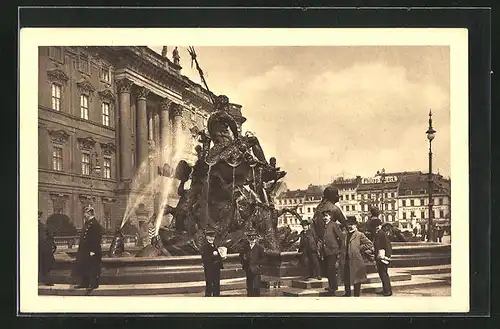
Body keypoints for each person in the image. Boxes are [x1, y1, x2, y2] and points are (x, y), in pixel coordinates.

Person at [340, 216, 374, 297]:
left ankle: (356, 295)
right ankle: (347, 294)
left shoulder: (359, 235)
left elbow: (369, 244)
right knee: (346, 278)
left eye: (352, 224)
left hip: (356, 260)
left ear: (355, 225)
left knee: (356, 279)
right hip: (346, 259)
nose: (350, 226)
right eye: (348, 224)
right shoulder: (345, 235)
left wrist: (359, 248)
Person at [73, 205, 103, 292]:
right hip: (85, 250)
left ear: (90, 213)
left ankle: (94, 284)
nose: (84, 215)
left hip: (92, 250)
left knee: (93, 267)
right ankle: (84, 283)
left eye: (85, 213)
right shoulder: (88, 223)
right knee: (85, 266)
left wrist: (93, 250)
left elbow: (97, 238)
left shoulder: (95, 224)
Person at [316, 209, 343, 296]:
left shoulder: (333, 225)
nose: (325, 218)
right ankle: (332, 285)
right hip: (326, 251)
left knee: (330, 269)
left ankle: (333, 288)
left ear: (330, 217)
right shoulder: (324, 226)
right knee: (328, 269)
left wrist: (340, 249)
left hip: (333, 250)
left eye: (326, 216)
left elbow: (340, 236)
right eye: (324, 216)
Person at [239, 229, 265, 297]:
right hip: (248, 269)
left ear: (256, 239)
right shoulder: (244, 248)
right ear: (247, 238)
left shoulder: (260, 248)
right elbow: (241, 257)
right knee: (249, 287)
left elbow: (264, 258)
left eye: (253, 238)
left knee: (256, 287)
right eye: (250, 237)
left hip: (256, 270)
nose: (252, 239)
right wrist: (244, 265)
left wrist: (259, 266)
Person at [372, 218, 393, 296]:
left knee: (383, 274)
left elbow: (387, 245)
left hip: (382, 257)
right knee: (382, 274)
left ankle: (388, 291)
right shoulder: (379, 233)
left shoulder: (381, 233)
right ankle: (385, 289)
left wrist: (387, 256)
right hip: (380, 256)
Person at [201, 229, 224, 297]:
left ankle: (216, 296)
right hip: (209, 268)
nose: (211, 238)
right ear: (207, 237)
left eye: (213, 237)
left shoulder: (215, 245)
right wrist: (213, 255)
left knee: (216, 283)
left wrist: (221, 258)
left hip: (216, 268)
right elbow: (204, 258)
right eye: (210, 236)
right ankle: (208, 297)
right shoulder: (204, 246)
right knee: (209, 283)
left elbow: (218, 256)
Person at [38, 211, 56, 286]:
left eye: (39, 216)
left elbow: (50, 237)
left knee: (46, 264)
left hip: (44, 249)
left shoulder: (44, 226)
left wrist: (52, 245)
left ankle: (47, 279)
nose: (38, 218)